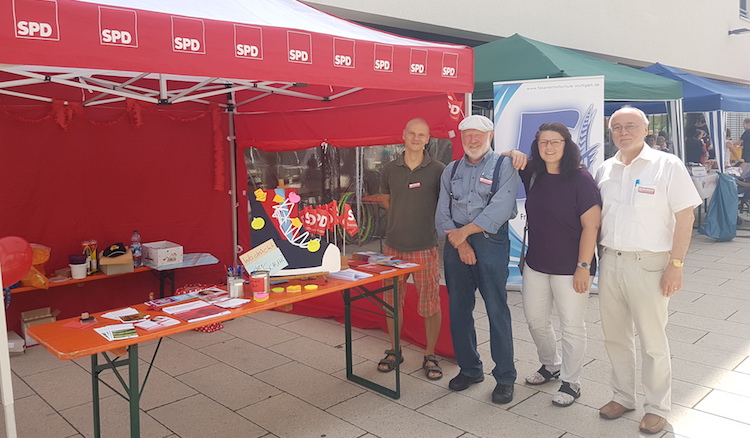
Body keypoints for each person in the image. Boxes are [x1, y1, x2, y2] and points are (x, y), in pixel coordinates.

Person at [595, 107, 701, 434]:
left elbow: (686, 217)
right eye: (617, 127)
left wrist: (676, 265)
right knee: (615, 336)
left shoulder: (667, 165)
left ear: (644, 129)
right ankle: (623, 396)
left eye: (630, 126)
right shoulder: (605, 169)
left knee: (653, 340)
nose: (623, 132)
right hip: (611, 260)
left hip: (651, 265)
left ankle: (657, 407)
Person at [509, 123, 601, 407]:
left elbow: (591, 227)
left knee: (572, 326)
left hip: (572, 267)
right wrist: (513, 151)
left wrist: (583, 266)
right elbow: (499, 157)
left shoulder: (581, 180)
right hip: (537, 263)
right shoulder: (533, 173)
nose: (548, 147)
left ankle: (572, 381)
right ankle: (551, 365)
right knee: (536, 321)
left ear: (567, 145)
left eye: (555, 142)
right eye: (543, 142)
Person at [435, 114, 522, 404]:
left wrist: (465, 235)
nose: (472, 141)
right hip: (455, 243)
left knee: (496, 309)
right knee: (459, 308)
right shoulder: (452, 168)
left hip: (490, 242)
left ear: (491, 135)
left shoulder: (505, 165)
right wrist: (460, 243)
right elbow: (442, 212)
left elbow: (500, 208)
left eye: (478, 135)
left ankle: (505, 377)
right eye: (467, 136)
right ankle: (470, 369)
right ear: (461, 139)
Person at [377, 118, 446, 380]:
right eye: (412, 134)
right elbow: (386, 200)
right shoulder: (388, 169)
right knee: (392, 302)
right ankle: (394, 350)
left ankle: (430, 354)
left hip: (424, 247)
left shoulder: (439, 169)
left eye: (422, 135)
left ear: (428, 139)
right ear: (403, 135)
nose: (416, 138)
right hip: (393, 247)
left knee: (430, 303)